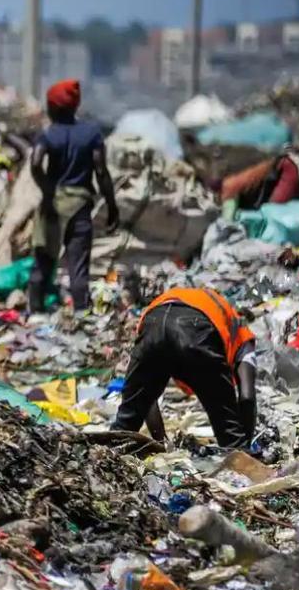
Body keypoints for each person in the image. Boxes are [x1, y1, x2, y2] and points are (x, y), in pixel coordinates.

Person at [112, 288, 258, 450]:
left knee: (125, 424)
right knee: (230, 433)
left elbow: (146, 395)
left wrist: (162, 445)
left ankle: (109, 457)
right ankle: (241, 461)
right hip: (196, 328)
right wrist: (244, 445)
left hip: (154, 321)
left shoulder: (208, 305)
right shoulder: (244, 337)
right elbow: (247, 397)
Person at [28, 79, 119, 312]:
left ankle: (35, 313)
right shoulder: (91, 134)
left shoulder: (49, 135)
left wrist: (47, 190)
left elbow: (36, 163)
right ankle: (81, 314)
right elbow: (101, 170)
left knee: (43, 262)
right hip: (80, 206)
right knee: (78, 267)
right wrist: (111, 205)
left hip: (53, 205)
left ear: (53, 108)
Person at [215, 150, 299, 220]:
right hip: (265, 180)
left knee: (273, 221)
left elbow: (228, 222)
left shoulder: (230, 185)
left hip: (284, 170)